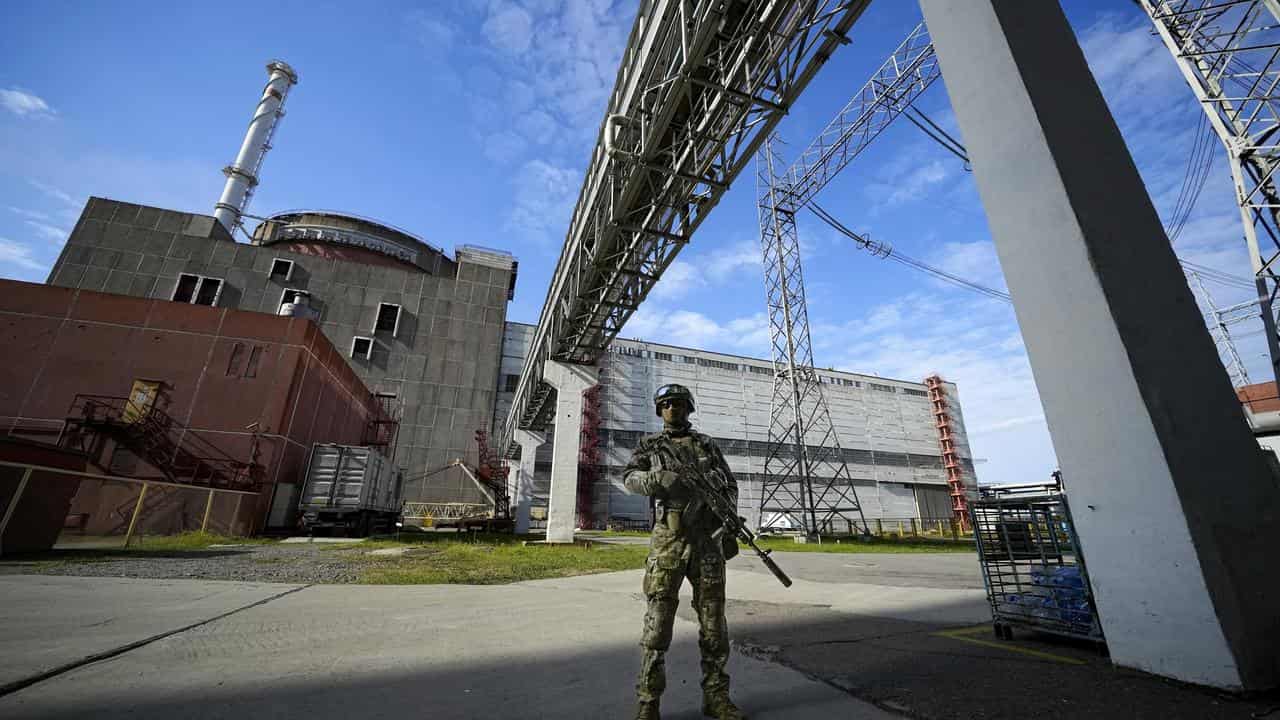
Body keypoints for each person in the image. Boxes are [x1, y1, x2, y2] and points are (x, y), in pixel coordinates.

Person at [623, 383, 744, 720]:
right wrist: (655, 479)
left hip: (708, 543)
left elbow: (730, 485)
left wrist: (727, 512)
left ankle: (717, 699)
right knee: (657, 627)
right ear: (659, 410)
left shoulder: (706, 444)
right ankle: (648, 704)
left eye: (678, 404)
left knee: (714, 627)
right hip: (668, 544)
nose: (672, 409)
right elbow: (629, 477)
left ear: (689, 408)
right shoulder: (650, 444)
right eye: (665, 404)